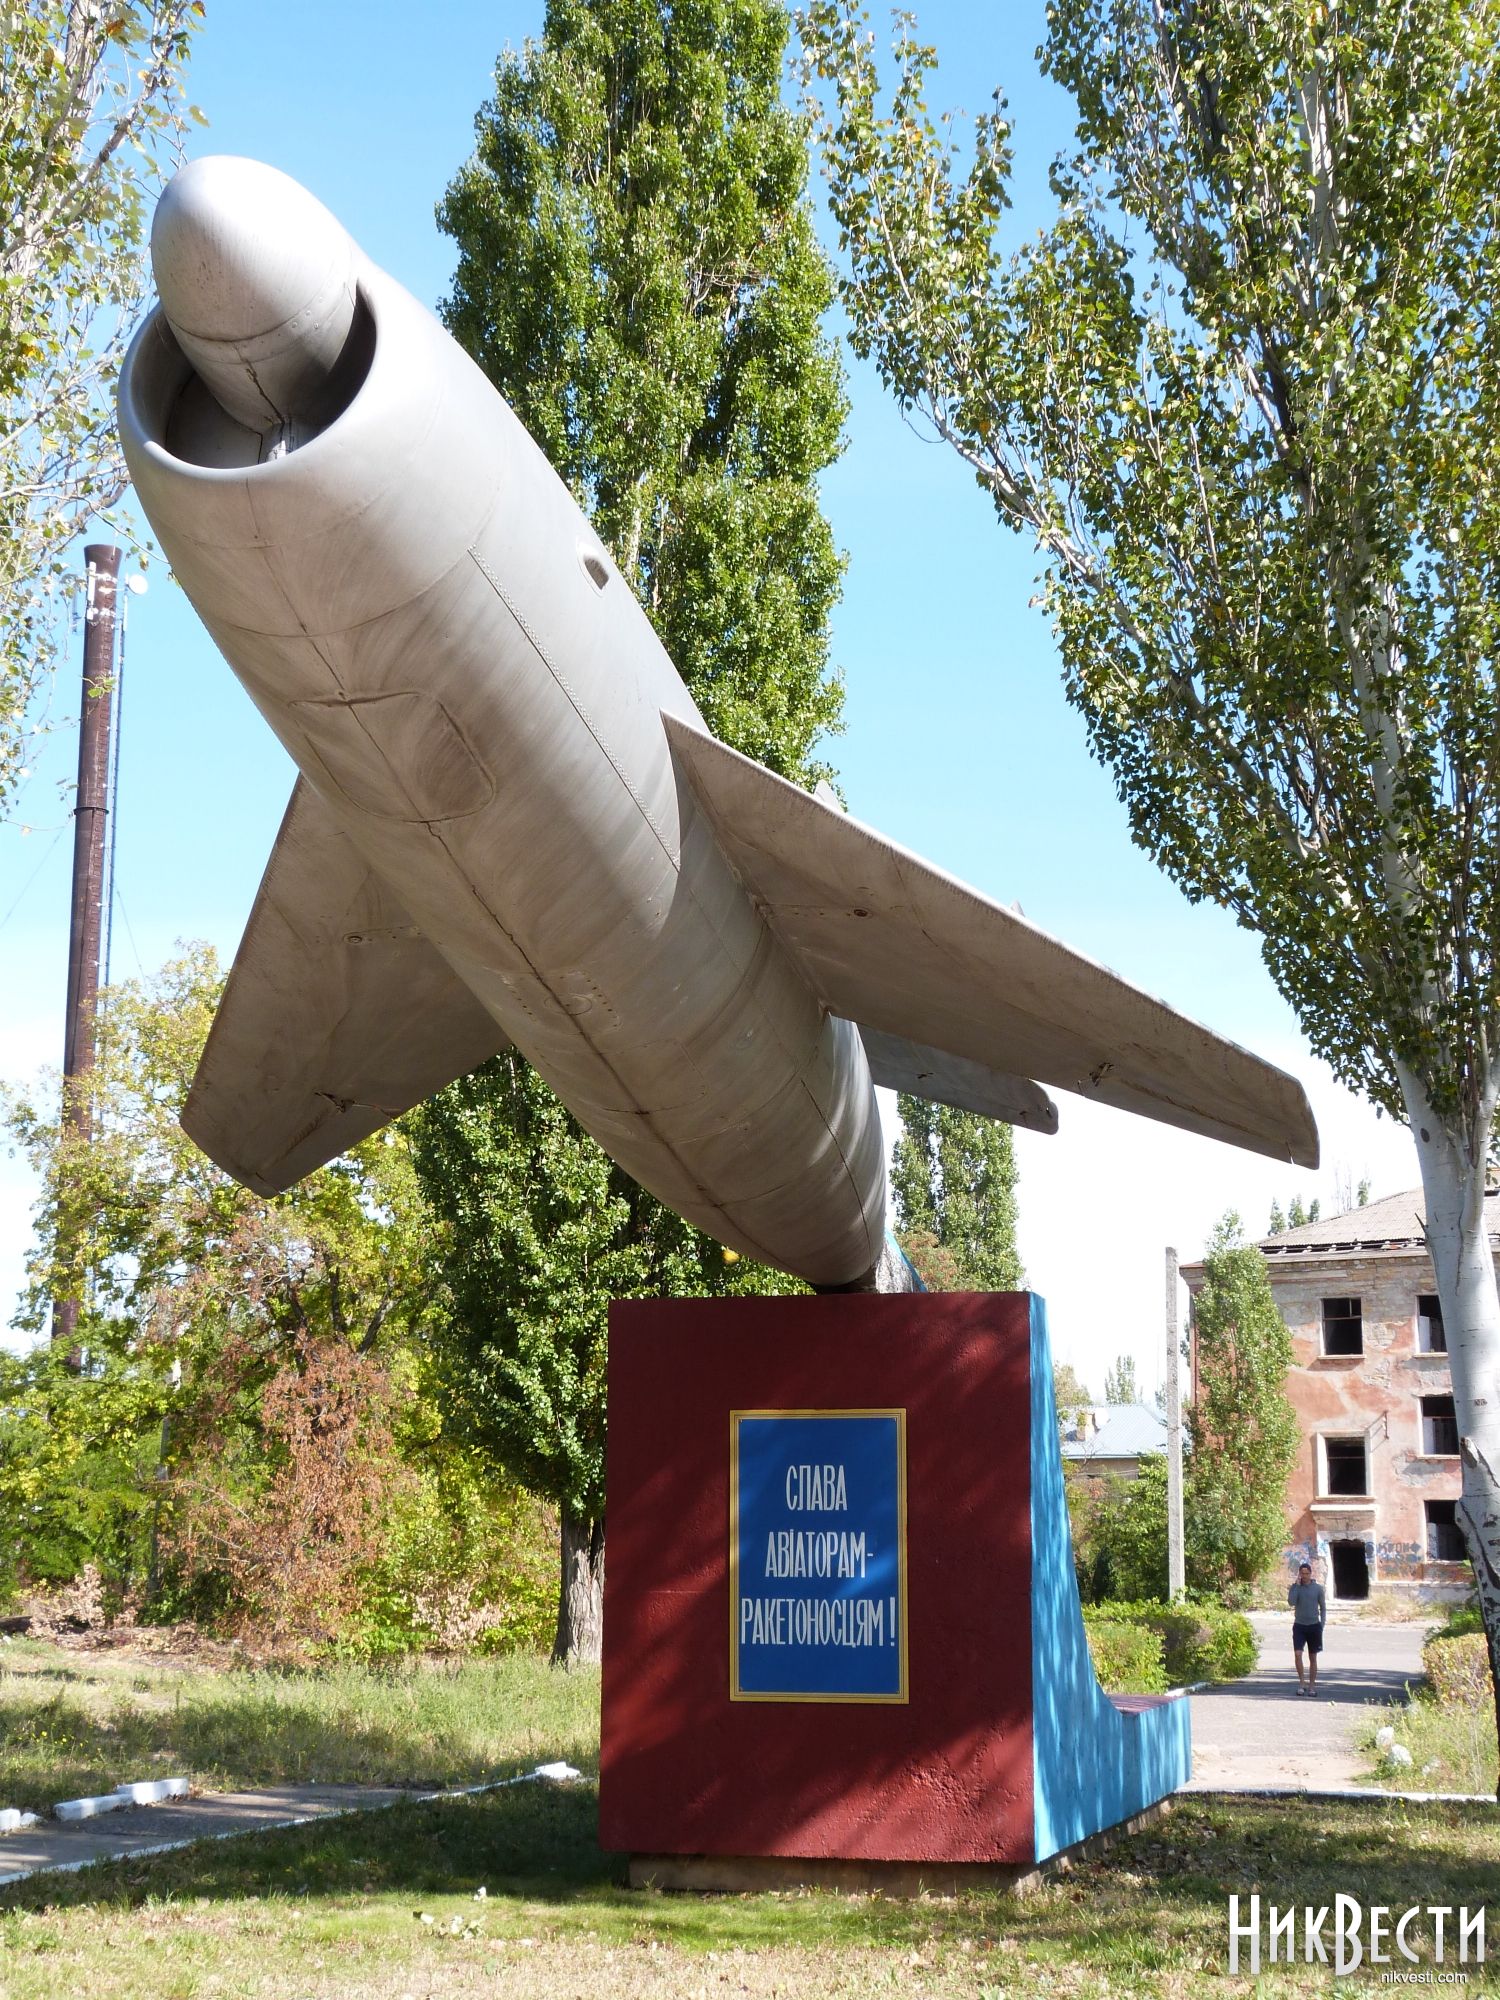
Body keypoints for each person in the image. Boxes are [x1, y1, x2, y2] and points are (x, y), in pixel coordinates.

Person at [1288, 1560, 1326, 1695]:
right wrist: (1296, 1586)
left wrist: (1322, 1624)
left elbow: (1323, 1607)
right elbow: (1291, 1602)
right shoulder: (1295, 1587)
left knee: (1313, 1657)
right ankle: (1301, 1683)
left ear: (1310, 1574)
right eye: (1302, 1573)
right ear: (1299, 1574)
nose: (1304, 1576)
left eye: (1307, 1573)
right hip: (1299, 1625)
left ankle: (1312, 1686)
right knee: (1298, 1654)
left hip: (1314, 1626)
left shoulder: (1318, 1589)